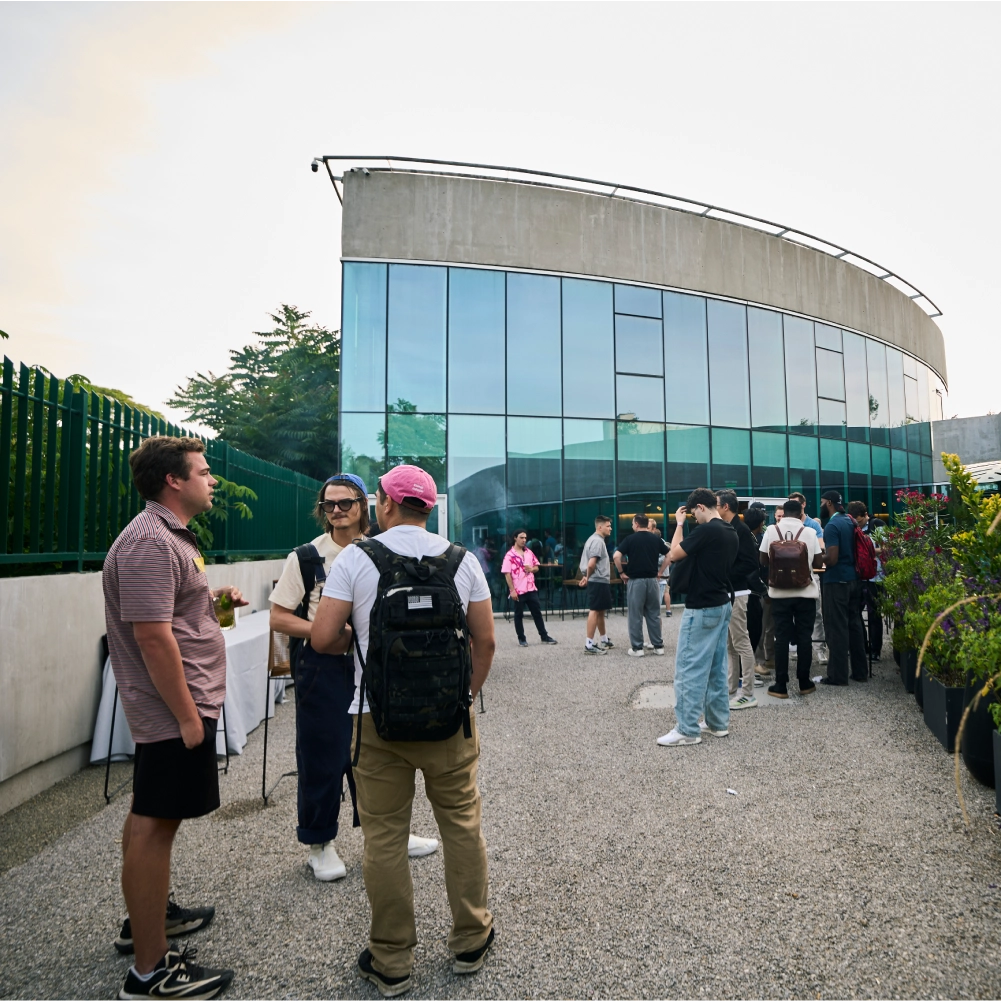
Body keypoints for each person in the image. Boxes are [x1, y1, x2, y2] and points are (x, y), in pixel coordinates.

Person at [311, 465, 496, 996]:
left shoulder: (355, 558)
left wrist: (358, 634)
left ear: (385, 504)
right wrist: (463, 698)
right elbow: (485, 643)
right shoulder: (462, 560)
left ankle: (391, 959)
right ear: (429, 508)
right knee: (462, 826)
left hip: (375, 720)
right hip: (449, 721)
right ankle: (471, 940)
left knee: (385, 836)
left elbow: (322, 638)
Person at [103, 436, 242, 1000]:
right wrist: (187, 717)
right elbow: (153, 638)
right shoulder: (150, 542)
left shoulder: (168, 536)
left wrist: (215, 603)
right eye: (203, 472)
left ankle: (148, 920)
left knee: (151, 814)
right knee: (155, 824)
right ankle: (150, 971)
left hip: (176, 704)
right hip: (171, 709)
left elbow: (172, 615)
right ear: (173, 481)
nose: (212, 480)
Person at [269, 473, 438, 882]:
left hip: (376, 661)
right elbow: (278, 616)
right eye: (329, 504)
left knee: (380, 751)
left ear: (366, 504)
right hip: (323, 665)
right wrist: (325, 632)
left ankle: (389, 833)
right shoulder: (307, 557)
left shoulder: (383, 548)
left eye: (346, 502)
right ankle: (320, 843)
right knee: (323, 754)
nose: (337, 510)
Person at [656, 489, 738, 747]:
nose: (694, 518)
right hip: (721, 602)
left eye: (694, 513)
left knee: (689, 668)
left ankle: (687, 729)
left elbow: (674, 553)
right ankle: (717, 723)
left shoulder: (707, 530)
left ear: (701, 507)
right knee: (716, 667)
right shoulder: (730, 531)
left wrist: (680, 524)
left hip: (702, 605)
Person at [758, 498, 824, 698]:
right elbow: (818, 563)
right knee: (804, 637)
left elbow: (763, 560)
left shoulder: (771, 531)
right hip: (805, 593)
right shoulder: (810, 532)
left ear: (783, 513)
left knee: (781, 638)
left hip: (779, 593)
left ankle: (781, 685)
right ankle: (804, 683)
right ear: (801, 514)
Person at [715, 490, 759, 710]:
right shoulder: (729, 527)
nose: (714, 508)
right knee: (731, 644)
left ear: (725, 506)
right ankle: (732, 689)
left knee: (741, 642)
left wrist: (725, 573)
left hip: (738, 592)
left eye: (716, 504)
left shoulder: (740, 530)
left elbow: (751, 563)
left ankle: (748, 693)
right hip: (729, 592)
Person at [820, 490, 869, 685]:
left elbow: (832, 559)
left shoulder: (832, 525)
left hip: (836, 581)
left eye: (822, 502)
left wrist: (816, 557)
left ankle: (837, 676)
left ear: (829, 503)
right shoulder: (850, 520)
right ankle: (860, 672)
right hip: (854, 579)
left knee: (836, 628)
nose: (821, 505)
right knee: (854, 625)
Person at [614, 515, 668, 657]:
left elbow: (616, 556)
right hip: (652, 580)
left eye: (633, 523)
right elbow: (669, 555)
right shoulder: (656, 539)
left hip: (636, 580)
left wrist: (621, 572)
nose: (632, 526)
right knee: (654, 613)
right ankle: (658, 646)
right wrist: (660, 572)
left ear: (637, 524)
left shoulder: (630, 539)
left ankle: (637, 648)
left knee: (635, 614)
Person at [502, 531, 558, 647]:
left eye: (525, 538)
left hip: (531, 588)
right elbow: (507, 574)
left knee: (537, 613)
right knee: (518, 615)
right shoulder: (509, 555)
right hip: (519, 589)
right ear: (515, 538)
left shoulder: (528, 552)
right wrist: (512, 590)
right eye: (521, 537)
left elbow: (537, 566)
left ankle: (544, 636)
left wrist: (532, 569)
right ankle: (522, 638)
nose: (524, 540)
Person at [849, 500, 883, 658]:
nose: (858, 523)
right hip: (858, 575)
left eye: (860, 520)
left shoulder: (877, 525)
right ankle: (862, 646)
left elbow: (886, 547)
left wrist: (866, 550)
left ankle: (876, 650)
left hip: (876, 576)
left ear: (865, 515)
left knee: (874, 614)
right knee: (855, 612)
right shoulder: (852, 526)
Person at [578, 515, 614, 654]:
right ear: (600, 527)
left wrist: (586, 576)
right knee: (594, 610)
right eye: (608, 526)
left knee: (600, 610)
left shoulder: (594, 539)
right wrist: (587, 577)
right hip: (598, 580)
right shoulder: (597, 541)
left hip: (598, 579)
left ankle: (604, 639)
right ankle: (589, 645)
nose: (610, 528)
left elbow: (591, 565)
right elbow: (591, 563)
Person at [742, 506, 767, 660]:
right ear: (760, 524)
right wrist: (764, 591)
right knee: (753, 632)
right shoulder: (750, 541)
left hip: (745, 592)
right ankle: (747, 670)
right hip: (750, 594)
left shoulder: (745, 536)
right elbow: (751, 571)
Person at [650, 522, 673, 617]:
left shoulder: (663, 545)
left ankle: (665, 611)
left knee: (664, 592)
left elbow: (664, 559)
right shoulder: (662, 543)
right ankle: (668, 610)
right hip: (661, 574)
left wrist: (651, 559)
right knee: (665, 592)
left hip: (662, 575)